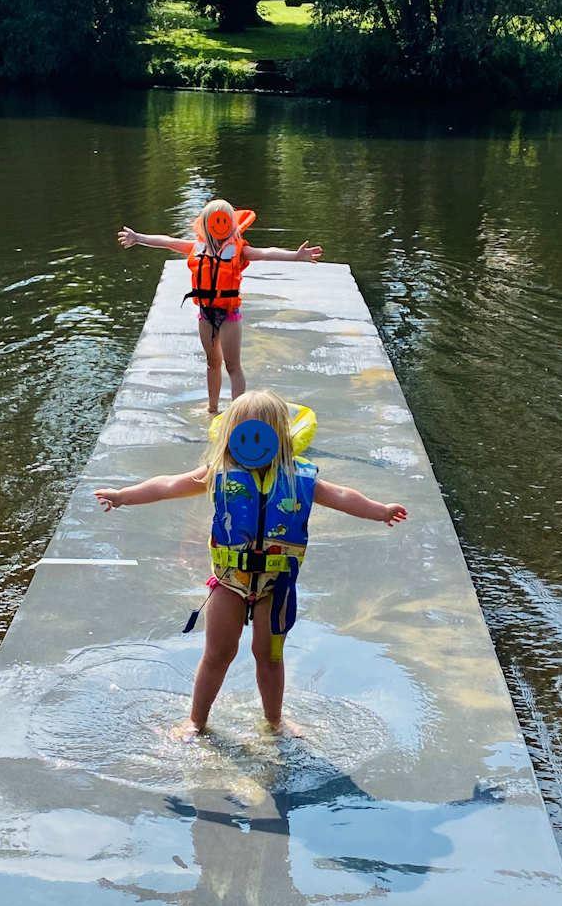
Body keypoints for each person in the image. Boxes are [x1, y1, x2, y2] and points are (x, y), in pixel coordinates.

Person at [95, 390, 407, 739]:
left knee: (269, 656)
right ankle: (195, 720)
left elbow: (342, 496)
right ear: (230, 435)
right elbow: (168, 485)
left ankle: (275, 720)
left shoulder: (299, 476)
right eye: (242, 432)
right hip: (229, 583)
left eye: (260, 433)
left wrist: (379, 511)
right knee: (217, 654)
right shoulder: (220, 473)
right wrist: (124, 496)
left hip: (277, 586)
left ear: (279, 438)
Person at [118, 200, 322, 413]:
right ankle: (212, 408)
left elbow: (266, 252)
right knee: (212, 363)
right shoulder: (197, 248)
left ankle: (237, 413)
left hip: (229, 316)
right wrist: (138, 238)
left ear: (232, 225)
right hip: (205, 315)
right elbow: (168, 241)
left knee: (233, 366)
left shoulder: (239, 250)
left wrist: (296, 256)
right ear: (206, 225)